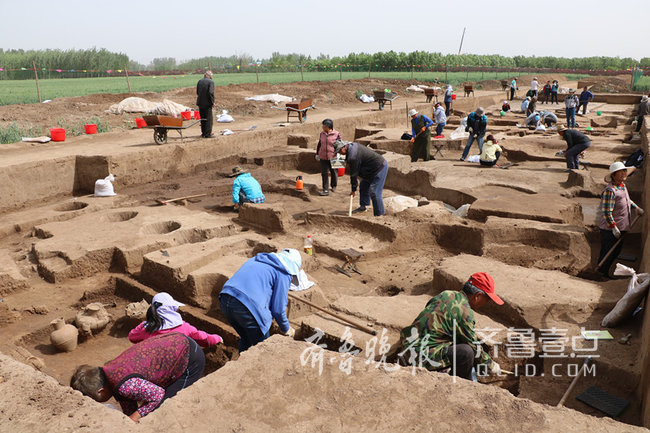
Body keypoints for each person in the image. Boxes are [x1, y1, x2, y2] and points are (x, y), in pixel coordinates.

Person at [70, 333, 205, 422]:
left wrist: (135, 417)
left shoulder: (125, 385)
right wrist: (128, 419)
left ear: (100, 391)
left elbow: (158, 395)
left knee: (164, 407)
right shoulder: (110, 371)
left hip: (189, 357)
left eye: (95, 399)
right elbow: (128, 403)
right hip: (175, 342)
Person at [398, 272, 504, 380]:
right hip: (420, 357)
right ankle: (462, 385)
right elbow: (473, 345)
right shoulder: (465, 312)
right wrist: (491, 365)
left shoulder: (446, 294)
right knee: (466, 352)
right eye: (487, 299)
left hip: (408, 346)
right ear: (477, 296)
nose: (486, 303)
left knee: (459, 341)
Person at [219, 249, 300, 352]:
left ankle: (242, 365)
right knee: (262, 350)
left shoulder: (257, 259)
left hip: (225, 298)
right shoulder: (284, 273)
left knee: (246, 339)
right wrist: (286, 329)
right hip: (247, 307)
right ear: (292, 269)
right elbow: (278, 309)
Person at [597, 162, 644, 278]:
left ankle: (604, 271)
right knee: (608, 251)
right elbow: (607, 211)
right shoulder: (610, 191)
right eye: (621, 172)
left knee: (616, 251)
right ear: (613, 175)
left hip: (621, 226)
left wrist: (636, 207)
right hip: (610, 229)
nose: (624, 173)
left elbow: (627, 200)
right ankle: (601, 273)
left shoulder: (622, 186)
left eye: (624, 171)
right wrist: (613, 227)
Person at [128, 292, 223, 348]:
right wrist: (217, 338)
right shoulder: (184, 328)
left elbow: (132, 336)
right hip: (176, 368)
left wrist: (145, 323)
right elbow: (202, 338)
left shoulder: (146, 328)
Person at [334, 140, 388, 216]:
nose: (339, 153)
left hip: (379, 168)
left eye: (339, 151)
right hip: (369, 169)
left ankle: (380, 215)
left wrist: (353, 190)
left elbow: (354, 174)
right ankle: (363, 207)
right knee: (363, 185)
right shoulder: (351, 146)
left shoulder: (353, 156)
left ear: (343, 148)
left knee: (375, 192)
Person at [315, 118, 342, 196]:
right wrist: (317, 153)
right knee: (324, 173)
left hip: (334, 156)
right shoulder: (322, 134)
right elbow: (319, 144)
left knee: (334, 172)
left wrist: (339, 154)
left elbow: (340, 145)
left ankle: (334, 185)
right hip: (323, 156)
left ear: (328, 126)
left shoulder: (336, 134)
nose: (322, 127)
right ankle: (325, 190)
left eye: (324, 125)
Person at [196, 70, 215, 138]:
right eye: (211, 76)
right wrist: (212, 102)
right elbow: (211, 93)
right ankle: (208, 134)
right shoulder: (211, 82)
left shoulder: (199, 81)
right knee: (209, 119)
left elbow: (197, 92)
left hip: (200, 103)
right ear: (209, 76)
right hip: (207, 103)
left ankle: (203, 133)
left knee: (203, 118)